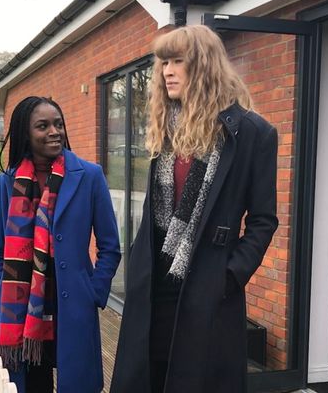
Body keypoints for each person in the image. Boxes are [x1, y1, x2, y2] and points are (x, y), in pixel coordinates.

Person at [110, 25, 279, 393]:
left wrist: (230, 275)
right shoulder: (165, 127)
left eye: (177, 61)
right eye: (163, 63)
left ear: (204, 65)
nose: (167, 71)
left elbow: (264, 220)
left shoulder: (253, 133)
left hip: (207, 289)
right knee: (148, 379)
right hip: (153, 285)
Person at [0, 96, 121, 393]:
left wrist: (94, 292)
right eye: (43, 126)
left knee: (77, 384)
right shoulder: (8, 183)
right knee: (33, 384)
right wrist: (0, 294)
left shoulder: (89, 176)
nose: (54, 131)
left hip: (72, 305)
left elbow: (110, 246)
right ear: (25, 132)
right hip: (23, 310)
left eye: (58, 124)